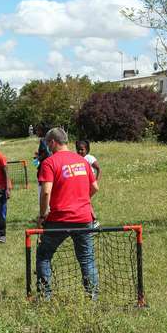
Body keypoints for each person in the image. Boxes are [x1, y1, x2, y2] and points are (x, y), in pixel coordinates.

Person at [36, 128, 100, 300]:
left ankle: (45, 295)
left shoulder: (49, 163)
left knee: (44, 255)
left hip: (58, 219)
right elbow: (95, 187)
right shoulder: (82, 161)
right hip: (84, 218)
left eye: (47, 143)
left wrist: (42, 216)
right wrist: (81, 200)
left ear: (52, 143)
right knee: (87, 258)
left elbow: (46, 192)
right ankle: (92, 297)